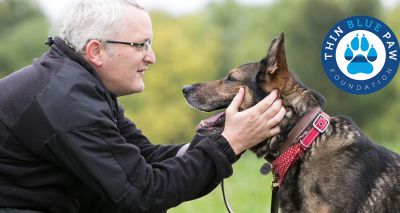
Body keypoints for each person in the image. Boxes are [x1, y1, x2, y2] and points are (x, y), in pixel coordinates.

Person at [0, 0, 286, 212]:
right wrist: (229, 143)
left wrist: (217, 137)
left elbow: (144, 157)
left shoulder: (80, 86)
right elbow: (143, 193)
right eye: (140, 45)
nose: (152, 57)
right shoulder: (66, 101)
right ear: (96, 51)